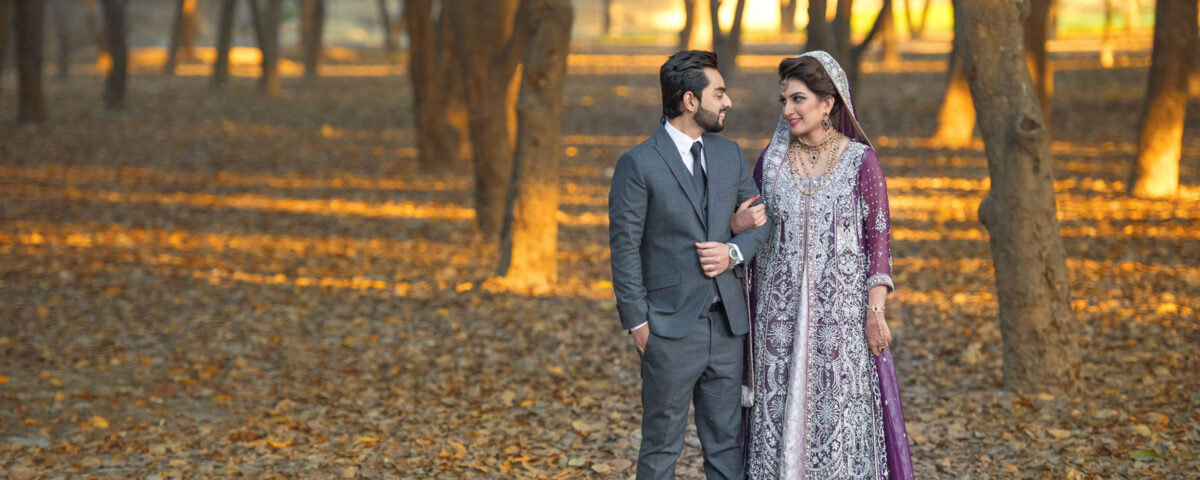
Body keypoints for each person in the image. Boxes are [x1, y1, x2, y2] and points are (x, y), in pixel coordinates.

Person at [736, 51, 915, 479]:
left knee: (839, 416)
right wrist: (737, 223)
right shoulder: (772, 162)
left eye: (798, 99)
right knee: (778, 416)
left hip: (841, 322)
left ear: (828, 103)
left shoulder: (860, 162)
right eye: (783, 100)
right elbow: (751, 229)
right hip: (777, 323)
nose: (788, 110)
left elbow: (879, 242)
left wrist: (876, 312)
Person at [608, 50, 771, 479]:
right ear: (690, 101)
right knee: (661, 449)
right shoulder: (638, 164)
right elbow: (624, 246)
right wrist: (637, 322)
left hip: (728, 328)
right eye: (719, 93)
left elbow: (759, 222)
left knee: (725, 449)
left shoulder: (729, 155)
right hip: (668, 328)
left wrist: (732, 250)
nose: (728, 102)